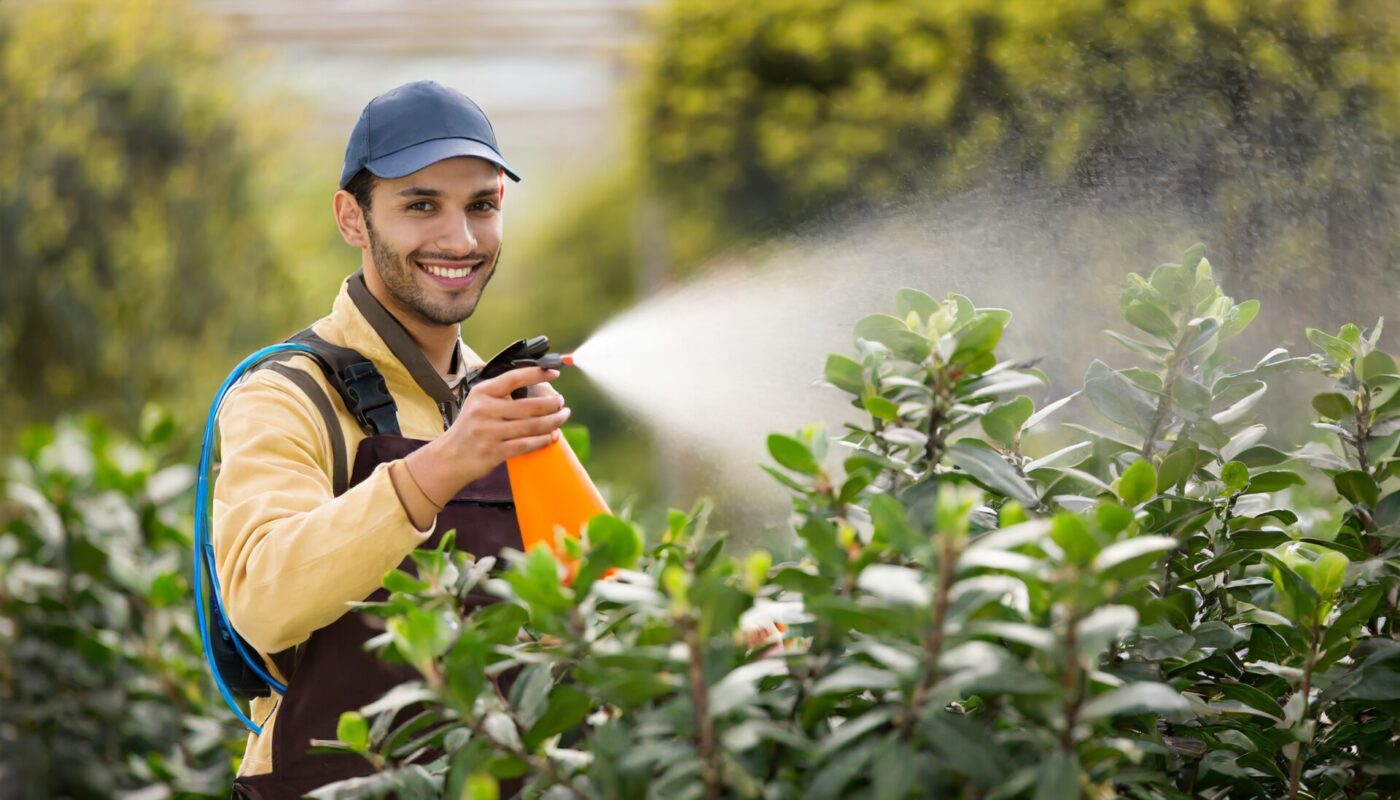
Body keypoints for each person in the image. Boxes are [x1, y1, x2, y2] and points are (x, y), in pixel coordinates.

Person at [213, 80, 570, 798]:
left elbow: (569, 617)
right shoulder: (286, 395)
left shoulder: (502, 402)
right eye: (420, 205)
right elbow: (261, 600)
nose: (461, 240)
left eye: (482, 206)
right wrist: (439, 467)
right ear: (352, 217)